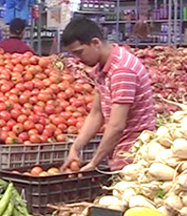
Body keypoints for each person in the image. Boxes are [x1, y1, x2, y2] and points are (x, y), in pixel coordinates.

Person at [60, 17, 156, 172]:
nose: (78, 59)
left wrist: (94, 162)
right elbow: (96, 113)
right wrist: (75, 148)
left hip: (133, 154)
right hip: (120, 149)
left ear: (95, 43)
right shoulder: (104, 66)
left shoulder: (122, 70)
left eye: (79, 52)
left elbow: (117, 126)